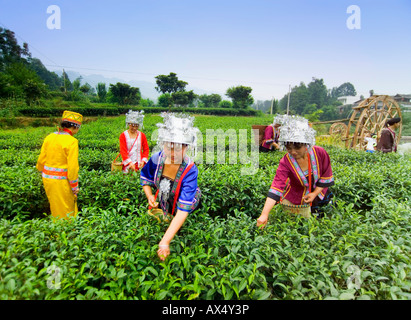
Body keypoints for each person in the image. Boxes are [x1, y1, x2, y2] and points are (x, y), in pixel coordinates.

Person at [140, 113, 201, 261]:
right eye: (169, 147)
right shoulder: (157, 159)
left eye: (178, 149)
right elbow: (146, 178)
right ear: (163, 144)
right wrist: (149, 196)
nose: (173, 153)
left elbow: (183, 208)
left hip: (183, 206)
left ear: (186, 147)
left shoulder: (190, 170)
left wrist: (165, 241)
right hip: (164, 198)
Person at [256, 115, 334, 227]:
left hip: (321, 193)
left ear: (306, 143)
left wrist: (314, 193)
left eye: (297, 147)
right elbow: (276, 187)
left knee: (324, 223)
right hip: (298, 196)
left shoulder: (320, 153)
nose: (293, 152)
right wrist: (264, 214)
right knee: (301, 226)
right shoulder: (285, 161)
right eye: (289, 148)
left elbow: (326, 175)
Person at [36, 110, 82, 220]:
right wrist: (74, 186)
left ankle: (56, 230)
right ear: (75, 127)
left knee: (55, 206)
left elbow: (41, 160)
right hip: (62, 181)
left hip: (47, 179)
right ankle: (65, 233)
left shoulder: (50, 137)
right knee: (67, 208)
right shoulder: (72, 141)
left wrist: (42, 170)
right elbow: (72, 167)